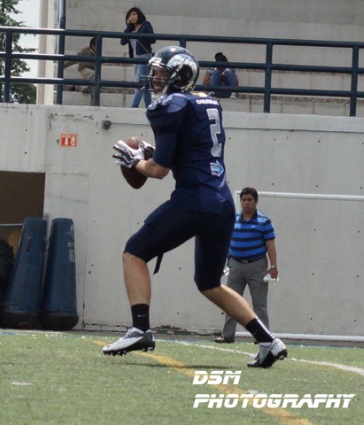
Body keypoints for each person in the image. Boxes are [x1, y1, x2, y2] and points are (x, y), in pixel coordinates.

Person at [106, 46, 287, 368]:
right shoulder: (207, 100)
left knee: (133, 252)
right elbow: (190, 150)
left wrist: (136, 161)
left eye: (162, 72)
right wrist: (153, 152)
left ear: (179, 76)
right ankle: (267, 341)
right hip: (220, 203)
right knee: (209, 283)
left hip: (194, 200)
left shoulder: (170, 106)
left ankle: (140, 328)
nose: (155, 77)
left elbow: (159, 171)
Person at [215, 187, 278, 343]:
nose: (246, 203)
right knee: (231, 301)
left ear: (256, 201)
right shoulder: (233, 220)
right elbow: (226, 242)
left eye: (250, 200)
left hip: (257, 266)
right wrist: (222, 264)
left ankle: (262, 337)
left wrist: (274, 267)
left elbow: (270, 244)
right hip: (235, 265)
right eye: (244, 200)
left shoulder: (264, 221)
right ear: (241, 202)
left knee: (259, 304)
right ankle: (228, 335)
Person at [120, 7, 155, 108]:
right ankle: (150, 107)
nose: (132, 16)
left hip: (145, 56)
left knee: (138, 84)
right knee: (143, 85)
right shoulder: (130, 29)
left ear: (139, 15)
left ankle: (133, 107)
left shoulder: (146, 25)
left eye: (134, 14)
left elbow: (153, 39)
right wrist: (128, 27)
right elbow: (122, 42)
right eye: (130, 15)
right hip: (136, 58)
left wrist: (139, 35)